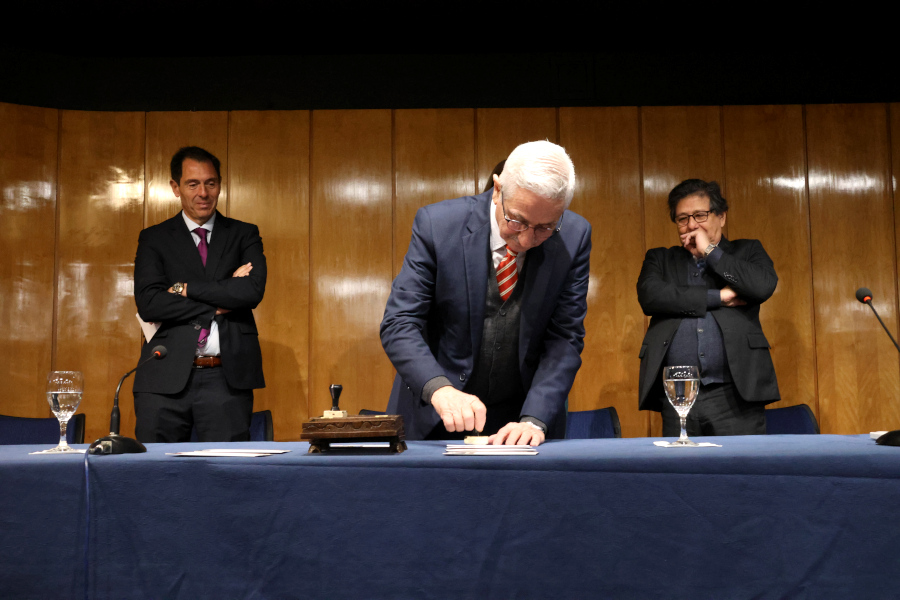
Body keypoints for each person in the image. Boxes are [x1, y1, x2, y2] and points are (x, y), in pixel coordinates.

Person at [381, 141, 591, 446]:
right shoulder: (438, 226)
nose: (528, 239)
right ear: (497, 190)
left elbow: (565, 337)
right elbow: (399, 322)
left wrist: (534, 418)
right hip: (435, 417)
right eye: (517, 220)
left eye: (546, 227)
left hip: (521, 425)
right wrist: (440, 389)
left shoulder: (575, 236)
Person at [132, 146, 267, 442]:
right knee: (156, 477)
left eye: (211, 183)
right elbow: (150, 302)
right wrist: (218, 301)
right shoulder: (154, 238)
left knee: (227, 476)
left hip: (226, 378)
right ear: (176, 187)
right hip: (163, 378)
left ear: (219, 185)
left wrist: (184, 289)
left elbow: (250, 291)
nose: (203, 192)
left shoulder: (244, 234)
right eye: (193, 184)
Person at [637, 179, 780, 436]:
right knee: (682, 473)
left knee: (739, 472)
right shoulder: (661, 258)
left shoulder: (747, 251)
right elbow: (651, 297)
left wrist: (711, 252)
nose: (692, 225)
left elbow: (762, 286)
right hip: (678, 395)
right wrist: (720, 296)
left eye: (700, 215)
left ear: (721, 217)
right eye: (682, 218)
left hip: (735, 395)